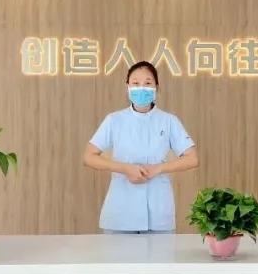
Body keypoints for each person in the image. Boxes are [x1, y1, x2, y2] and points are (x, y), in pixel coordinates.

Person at [83, 61, 199, 233]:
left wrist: (158, 168)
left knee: (161, 251)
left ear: (156, 87)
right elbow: (89, 156)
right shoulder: (114, 120)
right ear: (128, 87)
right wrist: (125, 168)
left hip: (158, 212)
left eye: (148, 83)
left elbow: (192, 159)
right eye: (136, 83)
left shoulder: (168, 121)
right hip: (121, 212)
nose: (141, 88)